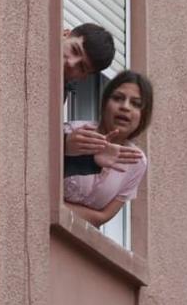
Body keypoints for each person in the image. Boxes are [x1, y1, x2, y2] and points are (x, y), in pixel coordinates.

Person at [62, 71, 152, 227]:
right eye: (118, 98)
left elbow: (102, 217)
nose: (125, 107)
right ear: (104, 103)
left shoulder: (136, 161)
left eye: (136, 104)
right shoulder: (74, 133)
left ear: (143, 116)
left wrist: (60, 206)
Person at [60, 23, 118, 176]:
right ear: (65, 34)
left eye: (82, 67)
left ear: (83, 77)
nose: (71, 63)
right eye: (74, 50)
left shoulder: (59, 94)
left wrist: (85, 156)